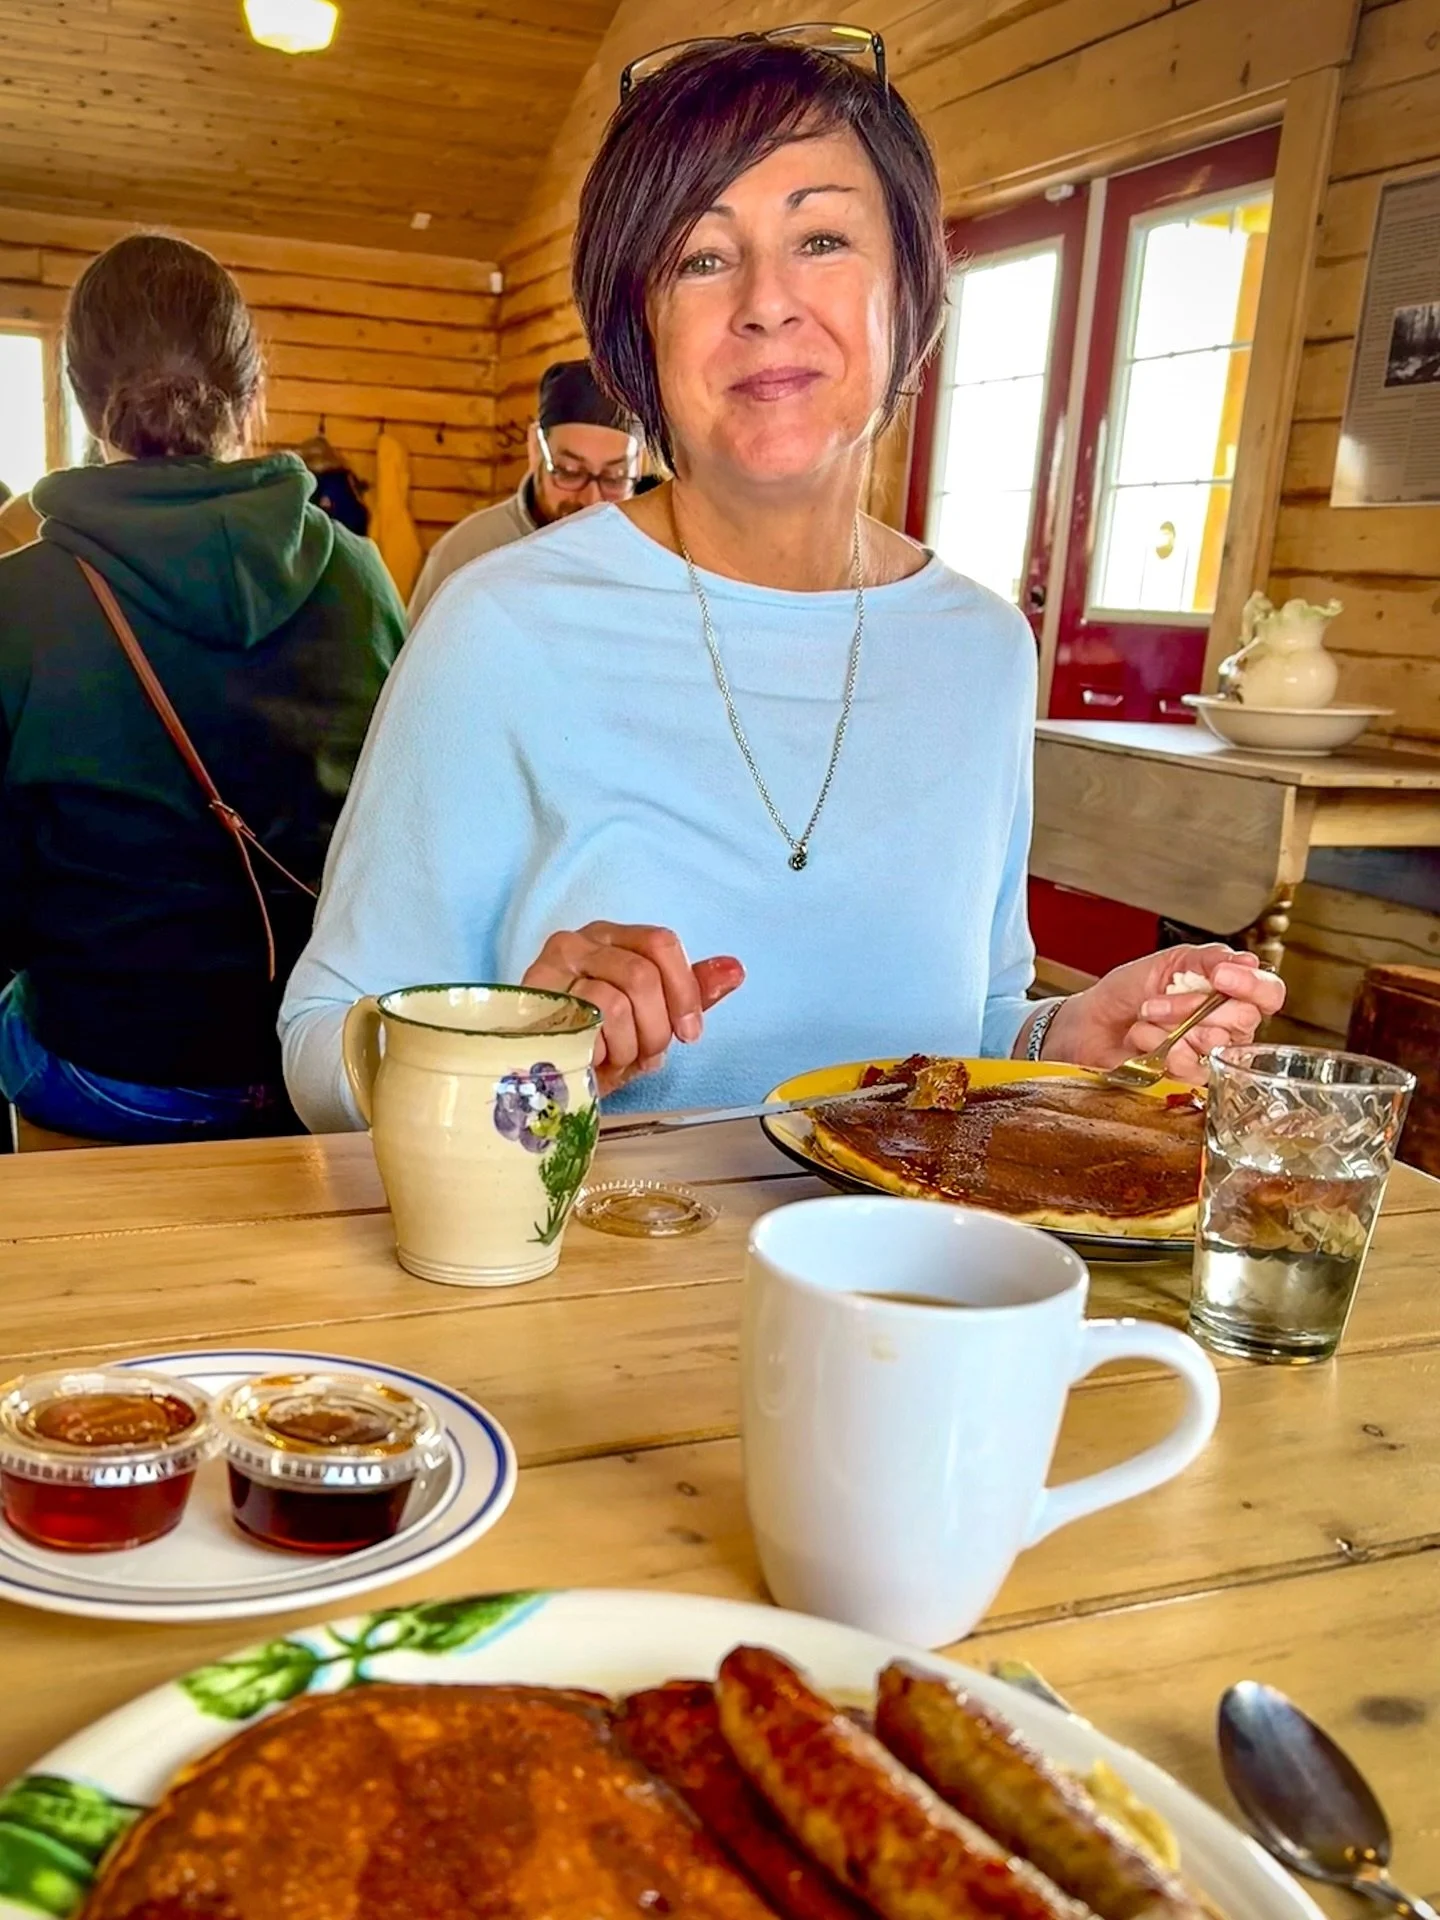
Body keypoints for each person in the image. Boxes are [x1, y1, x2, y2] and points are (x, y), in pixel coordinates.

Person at [281, 32, 1283, 1132]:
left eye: (822, 239)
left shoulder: (985, 649)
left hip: (911, 1249)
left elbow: (981, 1022)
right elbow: (321, 1040)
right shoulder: (502, 625)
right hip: (592, 1246)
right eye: (702, 258)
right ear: (638, 324)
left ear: (910, 290)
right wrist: (512, 1043)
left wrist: (1067, 1038)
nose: (766, 301)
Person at [0, 232, 406, 1144]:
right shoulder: (360, 576)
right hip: (312, 1065)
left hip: (104, 1068)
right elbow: (403, 824)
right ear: (251, 397)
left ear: (81, 400)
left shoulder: (17, 601)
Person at [406, 359, 643, 620]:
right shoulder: (466, 552)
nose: (592, 501)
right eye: (570, 471)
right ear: (535, 449)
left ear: (639, 464)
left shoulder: (652, 562)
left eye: (614, 477)